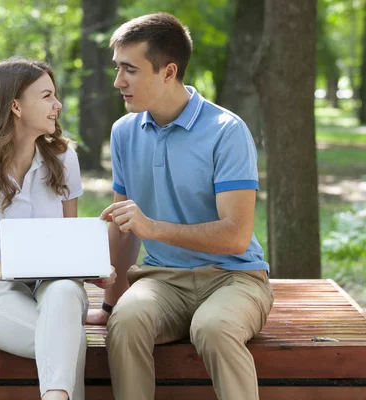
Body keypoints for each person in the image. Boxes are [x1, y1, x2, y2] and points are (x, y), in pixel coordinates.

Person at [86, 13, 274, 400]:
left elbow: (237, 237)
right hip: (161, 281)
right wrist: (108, 303)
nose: (118, 81)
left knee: (213, 327)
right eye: (118, 68)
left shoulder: (227, 131)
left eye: (130, 70)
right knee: (127, 320)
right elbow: (124, 227)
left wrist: (152, 228)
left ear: (168, 71)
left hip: (234, 278)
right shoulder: (124, 131)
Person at [0, 57, 115, 400]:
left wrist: (89, 269)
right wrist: (0, 269)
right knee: (64, 339)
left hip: (56, 286)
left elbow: (67, 238)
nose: (57, 105)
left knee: (61, 296)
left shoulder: (64, 160)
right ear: (15, 106)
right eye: (47, 96)